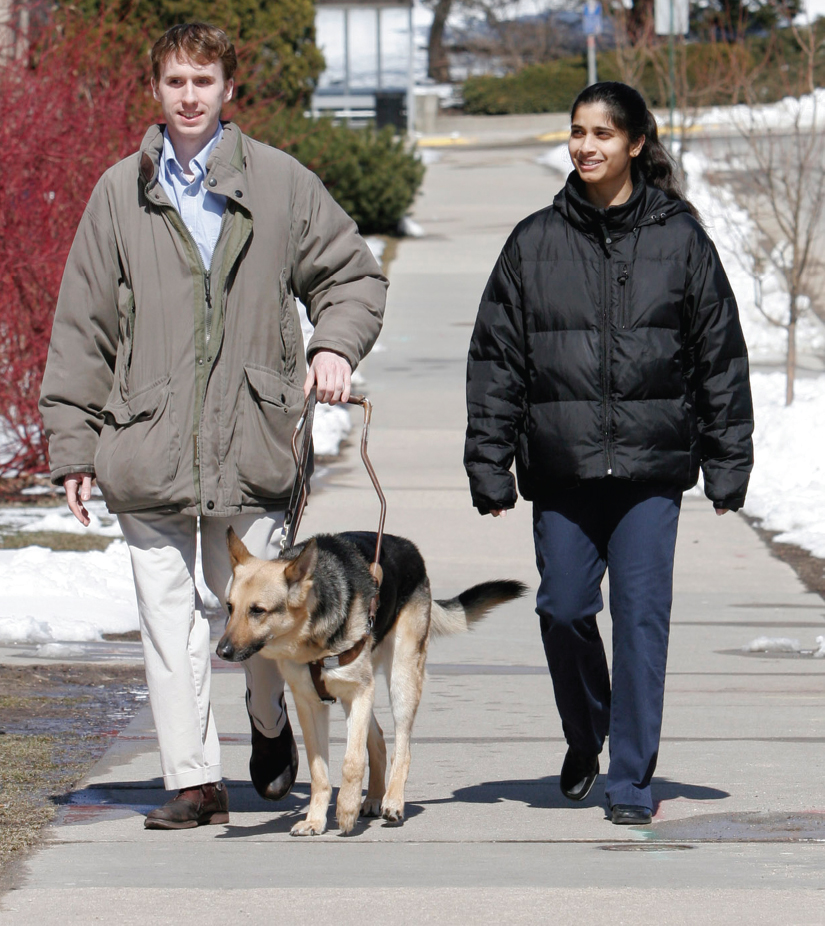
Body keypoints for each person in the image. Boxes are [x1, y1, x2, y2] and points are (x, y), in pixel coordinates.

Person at [39, 23, 386, 830]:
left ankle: (269, 727)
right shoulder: (118, 192)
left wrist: (333, 345)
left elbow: (352, 276)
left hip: (254, 442)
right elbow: (81, 326)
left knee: (259, 619)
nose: (189, 96)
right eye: (175, 82)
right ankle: (194, 779)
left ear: (229, 88)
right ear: (155, 91)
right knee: (170, 621)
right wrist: (72, 447)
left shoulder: (280, 184)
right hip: (145, 441)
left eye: (204, 81)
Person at [464, 81, 753, 825]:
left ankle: (629, 778)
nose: (584, 146)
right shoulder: (534, 241)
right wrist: (488, 461)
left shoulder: (680, 240)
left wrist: (728, 460)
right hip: (562, 469)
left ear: (633, 143)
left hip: (650, 469)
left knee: (640, 618)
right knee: (561, 609)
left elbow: (717, 355)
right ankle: (585, 732)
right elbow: (497, 359)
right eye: (575, 132)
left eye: (600, 133)